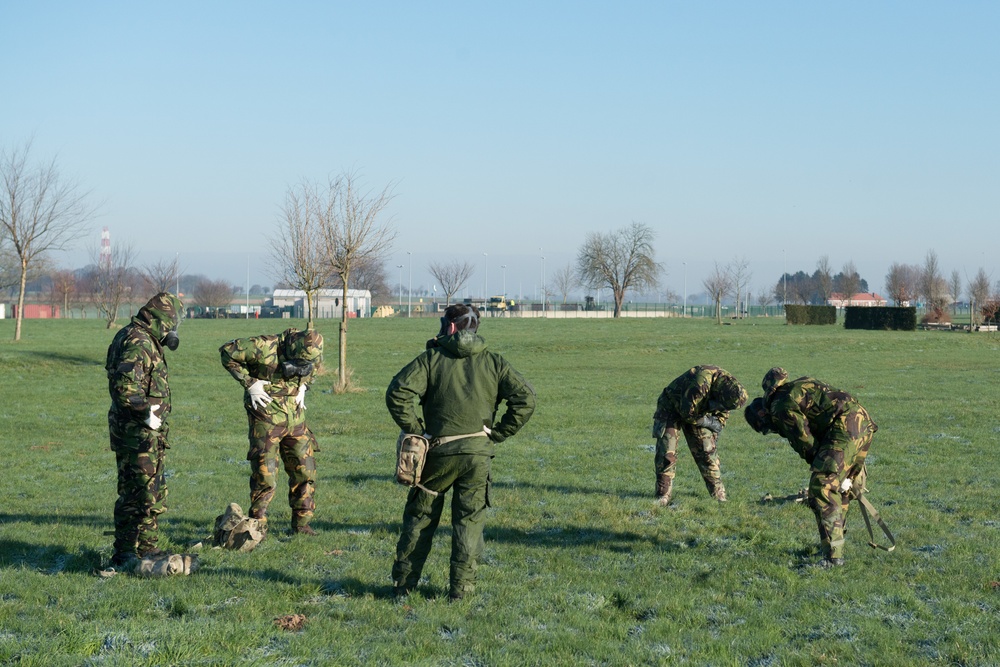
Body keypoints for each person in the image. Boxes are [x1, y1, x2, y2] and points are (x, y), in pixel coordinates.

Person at [386, 304, 535, 601]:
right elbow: (526, 399)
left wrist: (418, 431)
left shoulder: (431, 359)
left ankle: (403, 586)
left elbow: (398, 392)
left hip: (438, 453)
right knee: (468, 521)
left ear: (451, 327)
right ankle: (461, 591)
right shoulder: (494, 362)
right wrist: (500, 432)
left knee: (420, 518)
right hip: (478, 455)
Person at [744, 367, 878, 567]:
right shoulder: (793, 389)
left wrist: (821, 465)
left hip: (846, 426)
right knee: (839, 490)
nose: (772, 430)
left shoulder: (779, 407)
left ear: (763, 414)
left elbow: (804, 440)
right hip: (861, 422)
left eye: (766, 428)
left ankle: (833, 557)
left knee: (822, 486)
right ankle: (833, 548)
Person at [220, 327, 324, 536]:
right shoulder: (262, 346)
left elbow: (314, 367)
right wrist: (250, 384)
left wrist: (305, 386)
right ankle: (258, 526)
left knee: (305, 470)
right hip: (265, 417)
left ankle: (302, 524)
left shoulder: (313, 347)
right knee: (265, 474)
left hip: (295, 417)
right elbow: (226, 352)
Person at [105, 292, 183, 568]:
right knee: (139, 492)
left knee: (146, 491)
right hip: (136, 433)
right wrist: (146, 413)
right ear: (161, 320)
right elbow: (125, 388)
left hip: (142, 433)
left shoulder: (138, 336)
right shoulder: (137, 341)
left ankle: (139, 550)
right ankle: (133, 552)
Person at [652, 365, 748, 505]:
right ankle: (663, 495)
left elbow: (723, 410)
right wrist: (708, 422)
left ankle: (719, 495)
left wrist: (717, 425)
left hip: (698, 409)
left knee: (707, 451)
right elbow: (688, 414)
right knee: (667, 452)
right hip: (671, 406)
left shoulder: (734, 391)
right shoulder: (700, 383)